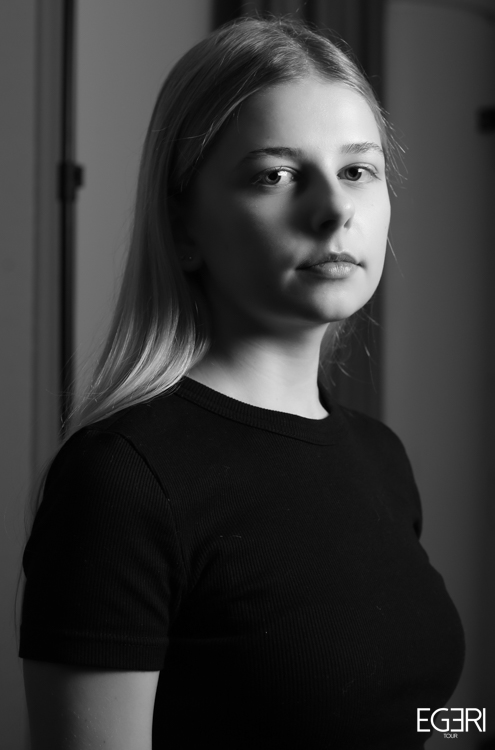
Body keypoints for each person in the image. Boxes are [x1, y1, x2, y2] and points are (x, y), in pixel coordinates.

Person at [20, 16, 465, 750]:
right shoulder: (122, 482)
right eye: (275, 175)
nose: (334, 210)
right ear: (184, 227)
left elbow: (411, 716)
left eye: (357, 171)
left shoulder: (382, 457)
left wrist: (466, 728)